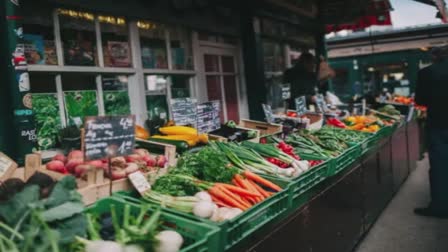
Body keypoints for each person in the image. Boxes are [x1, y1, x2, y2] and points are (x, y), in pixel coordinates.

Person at [414, 45, 448, 218]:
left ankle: (440, 206)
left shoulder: (427, 73)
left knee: (440, 166)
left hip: (439, 124)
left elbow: (420, 100)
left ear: (436, 57)